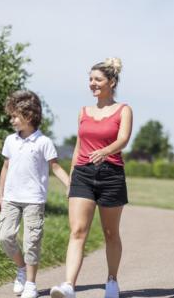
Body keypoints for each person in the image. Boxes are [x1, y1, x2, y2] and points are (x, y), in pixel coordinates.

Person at [49, 57, 133, 298]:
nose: (92, 84)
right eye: (90, 79)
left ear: (112, 81)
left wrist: (105, 152)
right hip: (83, 175)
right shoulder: (83, 112)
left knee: (110, 233)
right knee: (77, 231)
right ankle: (68, 285)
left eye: (98, 79)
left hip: (111, 175)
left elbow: (124, 138)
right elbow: (78, 147)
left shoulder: (123, 110)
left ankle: (112, 281)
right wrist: (72, 178)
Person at [0, 90, 70, 298]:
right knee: (4, 236)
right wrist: (0, 195)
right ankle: (21, 268)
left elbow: (55, 167)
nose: (11, 120)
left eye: (14, 116)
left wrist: (69, 184)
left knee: (32, 241)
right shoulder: (10, 140)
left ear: (28, 117)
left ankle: (30, 283)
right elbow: (5, 167)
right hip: (10, 198)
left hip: (34, 200)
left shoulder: (43, 142)